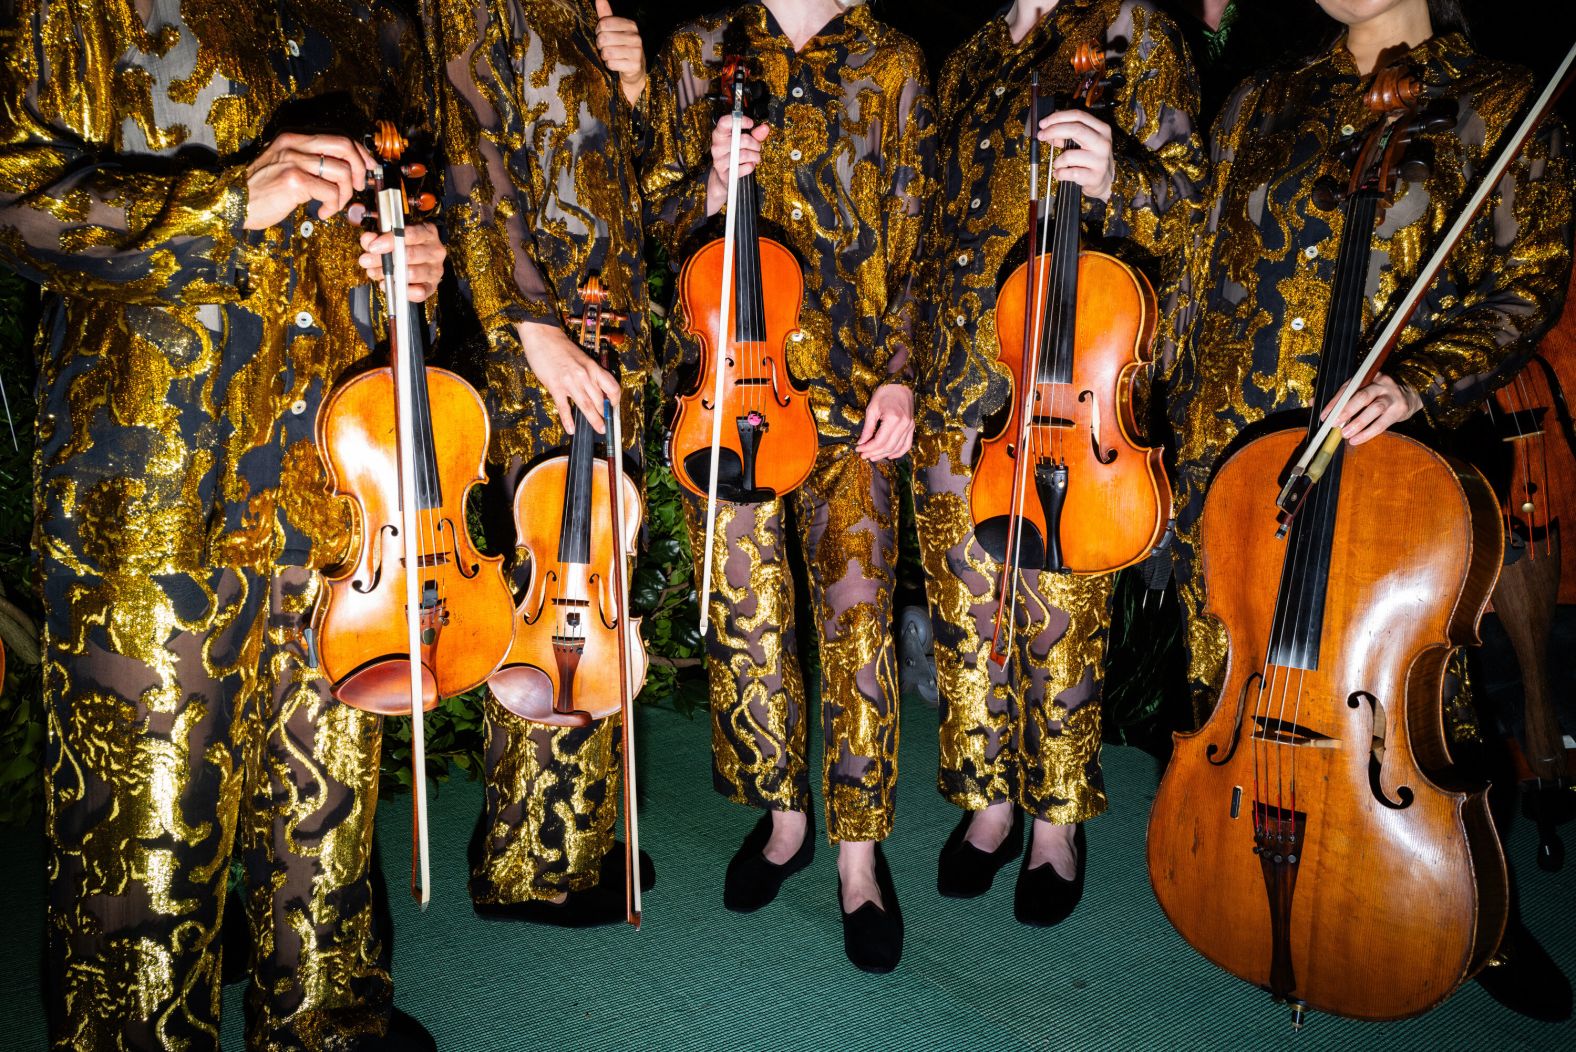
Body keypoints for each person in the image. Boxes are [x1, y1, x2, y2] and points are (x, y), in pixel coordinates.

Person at [0, 1, 443, 1047]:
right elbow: (12, 193)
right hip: (156, 478)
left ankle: (329, 1023)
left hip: (339, 475)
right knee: (142, 834)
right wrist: (222, 201)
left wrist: (407, 259)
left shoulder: (377, 17)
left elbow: (389, 196)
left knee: (326, 817)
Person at [1162, 0, 1572, 729]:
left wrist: (1420, 381)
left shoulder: (1501, 100)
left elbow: (1529, 283)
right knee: (1228, 690)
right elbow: (1193, 258)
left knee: (1385, 697)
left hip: (1379, 454)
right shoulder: (1262, 95)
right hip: (1230, 456)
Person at [642, 0, 935, 972]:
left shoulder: (893, 61)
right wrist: (706, 180)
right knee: (745, 617)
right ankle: (783, 818)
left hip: (854, 394)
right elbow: (648, 217)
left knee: (858, 621)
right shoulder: (696, 50)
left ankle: (858, 857)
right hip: (727, 395)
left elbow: (920, 227)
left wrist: (901, 366)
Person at [911, 0, 1203, 926]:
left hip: (1070, 385)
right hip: (960, 385)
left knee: (1060, 614)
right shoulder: (966, 57)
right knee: (965, 615)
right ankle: (989, 807)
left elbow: (1200, 201)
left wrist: (1127, 175)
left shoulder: (1135, 30)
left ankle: (1055, 823)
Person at [425, 0, 655, 925]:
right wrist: (530, 327)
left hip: (608, 327)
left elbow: (624, 166)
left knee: (592, 576)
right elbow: (469, 153)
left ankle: (579, 844)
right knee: (548, 590)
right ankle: (527, 867)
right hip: (547, 338)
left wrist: (634, 86)